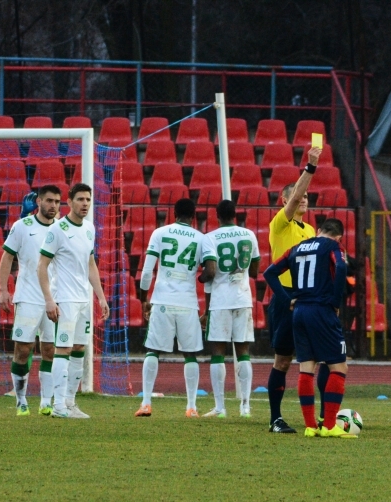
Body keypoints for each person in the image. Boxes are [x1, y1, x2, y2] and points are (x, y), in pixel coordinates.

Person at [264, 218, 353, 438]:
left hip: (299, 311)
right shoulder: (333, 246)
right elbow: (341, 266)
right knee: (339, 367)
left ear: (319, 230)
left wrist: (287, 299)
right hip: (321, 310)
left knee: (307, 367)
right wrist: (335, 301)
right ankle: (329, 426)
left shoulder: (297, 248)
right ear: (338, 237)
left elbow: (269, 273)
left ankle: (310, 426)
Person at [135, 198, 216, 418]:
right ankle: (191, 407)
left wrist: (144, 299)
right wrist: (201, 287)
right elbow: (210, 272)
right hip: (187, 303)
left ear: (174, 213)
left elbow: (146, 272)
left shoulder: (159, 233)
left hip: (162, 300)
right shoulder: (202, 238)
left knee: (153, 350)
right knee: (190, 354)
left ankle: (146, 403)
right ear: (194, 216)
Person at [38, 183, 109, 418]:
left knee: (79, 348)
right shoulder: (57, 230)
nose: (85, 203)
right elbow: (42, 265)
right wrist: (49, 300)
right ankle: (58, 405)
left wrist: (100, 296)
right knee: (63, 348)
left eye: (88, 199)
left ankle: (70, 402)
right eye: (80, 199)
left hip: (83, 299)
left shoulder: (89, 228)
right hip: (64, 298)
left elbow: (90, 263)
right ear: (69, 202)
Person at [265, 145, 322, 434]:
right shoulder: (280, 223)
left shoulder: (309, 230)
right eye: (299, 196)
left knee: (317, 359)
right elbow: (298, 194)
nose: (304, 200)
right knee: (283, 360)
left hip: (308, 299)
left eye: (308, 197)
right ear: (285, 200)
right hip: (285, 298)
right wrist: (310, 167)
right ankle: (275, 418)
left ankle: (320, 416)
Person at [0, 184, 62, 416]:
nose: (53, 205)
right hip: (27, 297)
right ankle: (21, 400)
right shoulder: (22, 226)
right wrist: (3, 290)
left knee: (50, 350)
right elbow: (7, 258)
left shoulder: (62, 228)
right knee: (23, 350)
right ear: (39, 201)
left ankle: (46, 402)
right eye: (49, 200)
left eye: (57, 201)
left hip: (54, 298)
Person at [200, 199, 260, 418]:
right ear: (236, 215)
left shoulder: (210, 238)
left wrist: (201, 278)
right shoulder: (249, 235)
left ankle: (220, 408)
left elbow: (210, 272)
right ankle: (245, 407)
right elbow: (255, 271)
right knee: (243, 352)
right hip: (242, 298)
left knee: (218, 353)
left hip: (220, 301)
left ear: (217, 216)